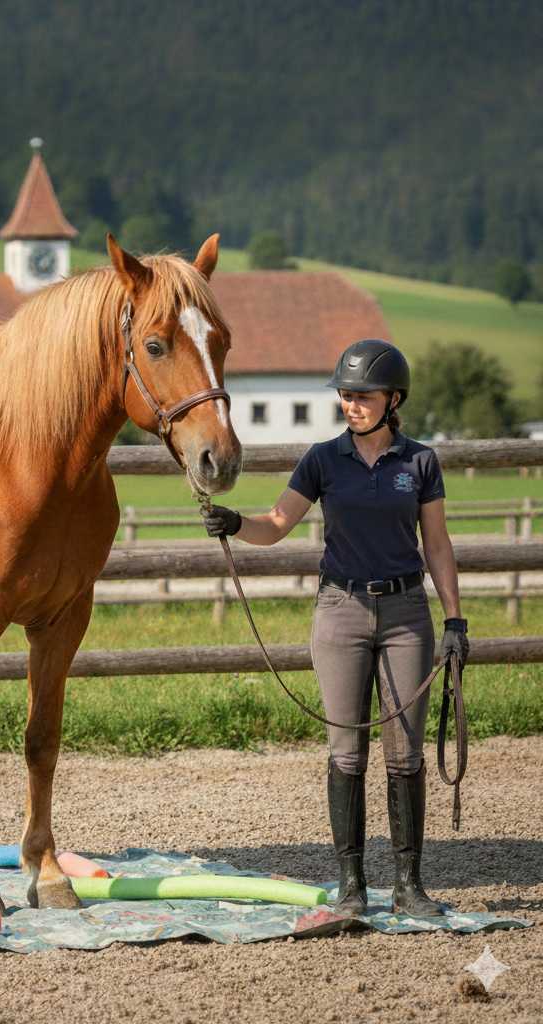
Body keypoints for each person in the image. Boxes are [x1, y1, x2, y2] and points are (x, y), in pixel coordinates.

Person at [203, 339, 470, 917]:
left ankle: (408, 884)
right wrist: (234, 523)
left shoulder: (420, 462)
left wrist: (454, 618)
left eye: (363, 396)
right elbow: (276, 523)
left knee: (405, 753)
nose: (351, 405)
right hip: (340, 612)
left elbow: (438, 544)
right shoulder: (322, 459)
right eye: (346, 396)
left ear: (392, 399)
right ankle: (352, 885)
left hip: (406, 616)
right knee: (346, 751)